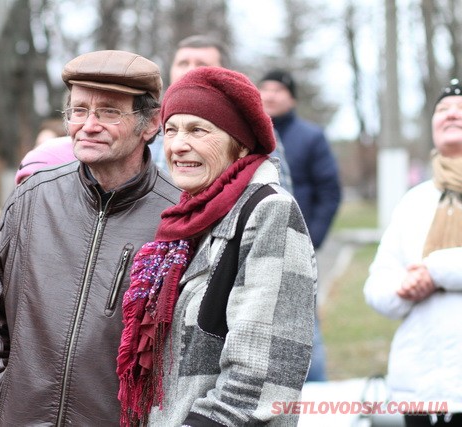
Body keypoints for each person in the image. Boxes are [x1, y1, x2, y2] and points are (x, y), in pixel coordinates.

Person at [0, 50, 181, 425]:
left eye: (109, 112)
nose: (89, 125)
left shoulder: (177, 216)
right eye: (79, 110)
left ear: (150, 125)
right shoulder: (32, 197)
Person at [117, 66, 316, 426]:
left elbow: (262, 379)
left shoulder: (269, 211)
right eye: (171, 130)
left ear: (239, 143)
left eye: (198, 130)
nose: (177, 145)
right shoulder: (182, 223)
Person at [363, 79, 462, 427]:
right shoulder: (414, 201)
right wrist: (404, 288)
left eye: (461, 108)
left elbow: (437, 269)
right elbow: (377, 287)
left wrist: (434, 271)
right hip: (420, 391)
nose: (452, 114)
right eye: (443, 109)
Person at [259, 68, 342, 382]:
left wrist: (313, 238)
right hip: (260, 243)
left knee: (304, 322)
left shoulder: (311, 137)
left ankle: (315, 390)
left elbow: (330, 192)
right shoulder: (249, 135)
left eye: (278, 89)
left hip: (299, 247)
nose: (269, 95)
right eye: (264, 88)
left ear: (291, 97)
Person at [148, 35, 293, 192]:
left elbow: (276, 191)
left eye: (201, 64)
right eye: (183, 63)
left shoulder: (251, 128)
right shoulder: (150, 126)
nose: (190, 70)